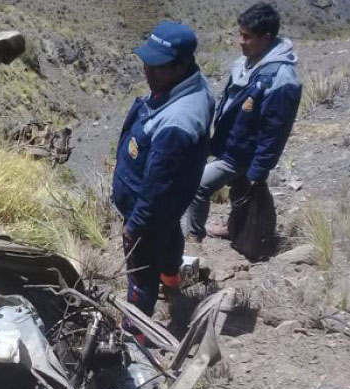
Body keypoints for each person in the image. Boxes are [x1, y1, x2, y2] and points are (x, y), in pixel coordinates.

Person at [112, 21, 214, 324]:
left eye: (158, 66)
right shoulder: (191, 84)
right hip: (167, 209)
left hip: (149, 210)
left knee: (140, 277)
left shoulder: (177, 123)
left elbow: (158, 186)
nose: (148, 71)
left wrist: (136, 226)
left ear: (182, 65)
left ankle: (136, 336)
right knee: (169, 236)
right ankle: (172, 281)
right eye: (147, 62)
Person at [182, 2, 302, 241]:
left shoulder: (281, 78)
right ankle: (235, 227)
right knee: (240, 189)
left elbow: (275, 132)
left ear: (265, 38)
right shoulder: (248, 63)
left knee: (198, 187)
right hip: (233, 144)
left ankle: (192, 240)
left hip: (242, 154)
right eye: (240, 34)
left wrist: (259, 169)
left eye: (246, 36)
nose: (240, 41)